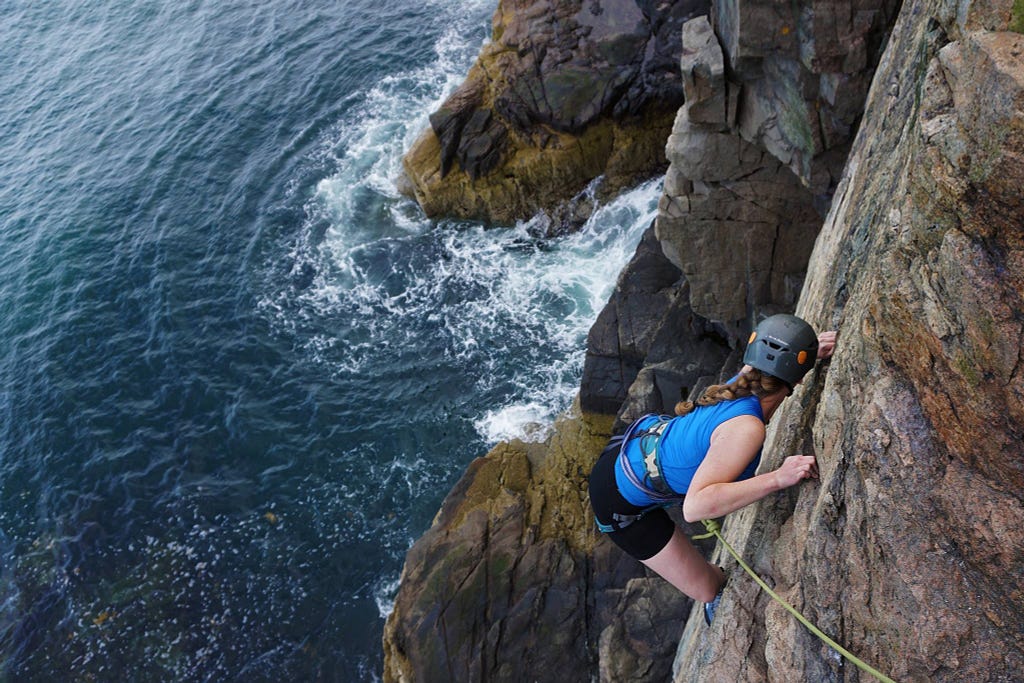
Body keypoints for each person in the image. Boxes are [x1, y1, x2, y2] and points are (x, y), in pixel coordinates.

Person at [588, 314, 837, 623]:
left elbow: (769, 362)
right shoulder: (747, 428)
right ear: (798, 380)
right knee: (710, 589)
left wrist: (810, 356)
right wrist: (778, 478)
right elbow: (695, 507)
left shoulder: (745, 379)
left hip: (629, 451)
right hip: (617, 503)